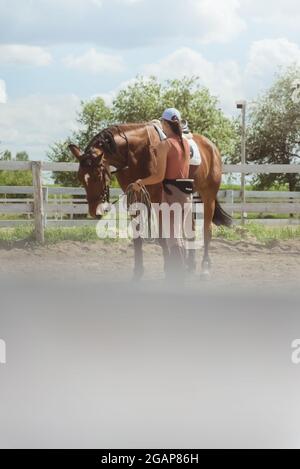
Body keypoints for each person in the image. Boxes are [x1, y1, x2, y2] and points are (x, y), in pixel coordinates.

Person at [132, 108, 194, 281]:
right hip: (186, 193)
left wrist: (140, 183)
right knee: (180, 235)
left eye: (163, 124)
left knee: (172, 238)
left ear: (165, 124)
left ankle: (178, 278)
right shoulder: (185, 143)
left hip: (171, 193)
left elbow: (158, 176)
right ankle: (180, 275)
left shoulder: (165, 144)